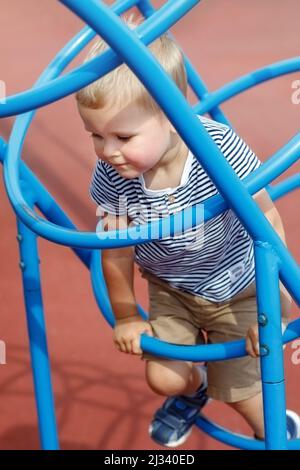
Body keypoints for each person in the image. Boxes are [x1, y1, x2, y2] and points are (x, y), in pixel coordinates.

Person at [76, 16, 300, 447]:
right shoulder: (112, 174)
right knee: (163, 377)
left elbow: (266, 220)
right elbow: (117, 250)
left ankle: (278, 433)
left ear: (173, 115)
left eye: (122, 136)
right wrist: (125, 314)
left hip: (239, 286)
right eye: (95, 136)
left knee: (244, 393)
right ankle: (194, 389)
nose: (108, 152)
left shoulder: (217, 150)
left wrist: (279, 304)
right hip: (173, 288)